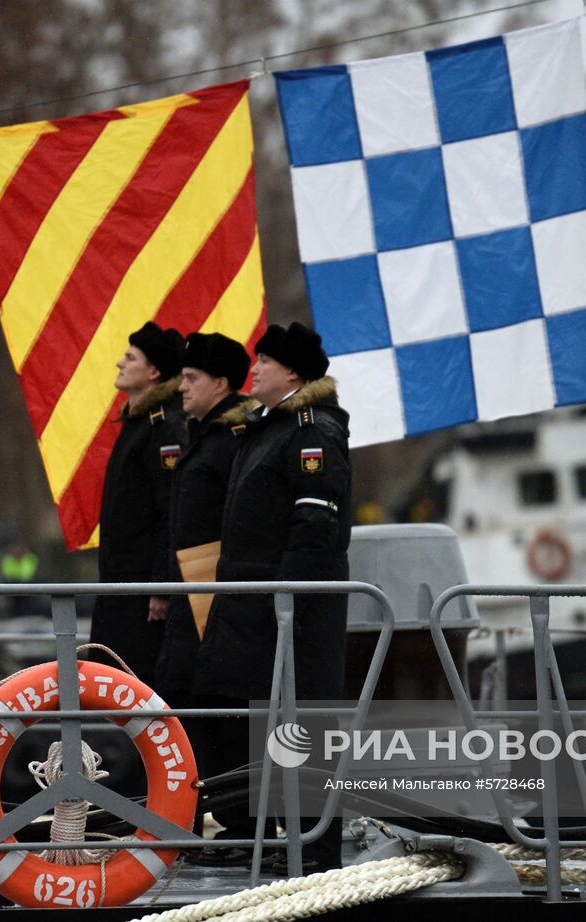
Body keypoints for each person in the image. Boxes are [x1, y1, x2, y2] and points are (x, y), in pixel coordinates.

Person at [192, 321, 351, 872]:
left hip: (291, 615)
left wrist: (288, 606)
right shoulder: (265, 429)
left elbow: (314, 528)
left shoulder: (311, 431)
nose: (252, 369)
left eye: (264, 360)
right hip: (253, 609)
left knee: (300, 728)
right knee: (251, 721)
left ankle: (313, 853)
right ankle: (274, 844)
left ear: (292, 373)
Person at [150, 332, 255, 861]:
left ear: (220, 383)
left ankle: (237, 827)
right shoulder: (204, 433)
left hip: (216, 596)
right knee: (184, 703)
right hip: (190, 592)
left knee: (218, 708)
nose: (182, 387)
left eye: (192, 380)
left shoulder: (234, 436)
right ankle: (189, 823)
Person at [88, 322, 186, 682]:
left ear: (154, 372)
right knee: (113, 683)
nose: (119, 363)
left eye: (130, 357)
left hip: (144, 596)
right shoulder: (138, 423)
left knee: (138, 685)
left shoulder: (164, 428)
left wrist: (161, 585)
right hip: (121, 587)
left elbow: (170, 512)